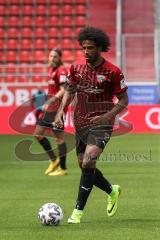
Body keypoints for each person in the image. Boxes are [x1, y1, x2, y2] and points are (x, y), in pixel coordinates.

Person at [54, 26, 128, 223]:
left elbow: (123, 100)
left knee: (88, 161)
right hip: (81, 122)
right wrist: (61, 110)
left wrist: (108, 116)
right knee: (84, 166)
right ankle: (112, 191)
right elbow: (69, 90)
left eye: (91, 48)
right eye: (84, 48)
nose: (86, 52)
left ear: (100, 48)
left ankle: (77, 212)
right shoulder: (76, 68)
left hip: (102, 123)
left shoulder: (113, 72)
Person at [34, 48, 68, 176]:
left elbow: (64, 89)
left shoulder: (62, 70)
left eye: (55, 57)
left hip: (57, 108)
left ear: (59, 58)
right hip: (50, 108)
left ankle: (63, 169)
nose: (52, 59)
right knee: (38, 134)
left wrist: (49, 102)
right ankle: (54, 161)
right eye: (50, 56)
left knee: (58, 138)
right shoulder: (51, 70)